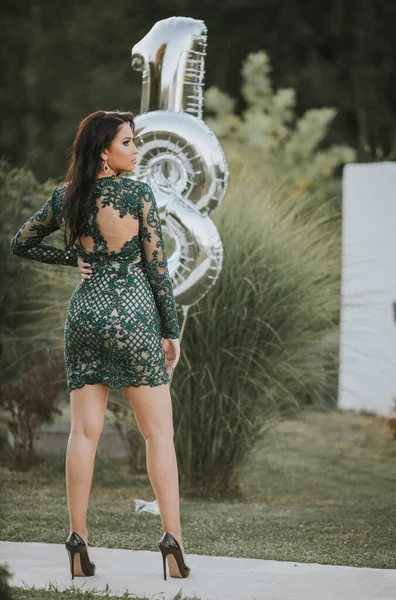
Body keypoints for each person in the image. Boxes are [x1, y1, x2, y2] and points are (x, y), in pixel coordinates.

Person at [9, 109, 190, 582]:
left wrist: (74, 257)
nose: (135, 150)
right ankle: (172, 540)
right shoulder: (138, 195)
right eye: (128, 142)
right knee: (158, 436)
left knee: (82, 433)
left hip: (85, 316)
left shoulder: (68, 195)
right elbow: (158, 271)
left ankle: (77, 540)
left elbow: (20, 242)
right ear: (104, 152)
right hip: (133, 319)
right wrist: (170, 331)